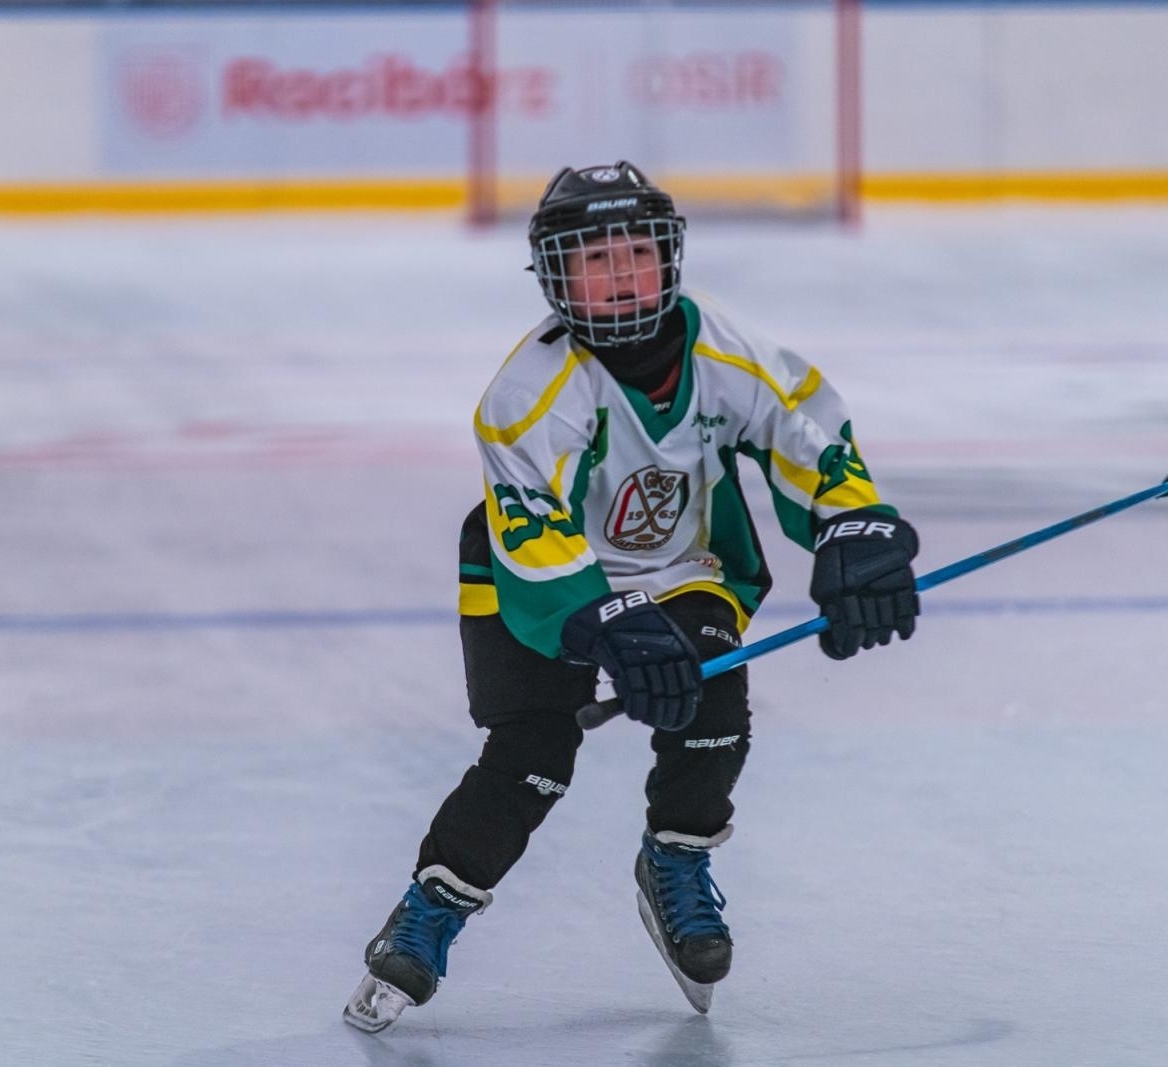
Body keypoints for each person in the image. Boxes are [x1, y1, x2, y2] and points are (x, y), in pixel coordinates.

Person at [343, 161, 920, 1032]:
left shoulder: (731, 353)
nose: (619, 277)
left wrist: (853, 527)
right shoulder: (526, 393)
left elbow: (809, 435)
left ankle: (676, 859)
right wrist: (609, 627)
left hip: (680, 567)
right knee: (531, 759)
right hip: (534, 580)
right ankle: (433, 908)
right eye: (594, 260)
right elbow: (534, 531)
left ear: (669, 259)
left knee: (714, 702)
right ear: (556, 277)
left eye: (636, 254)